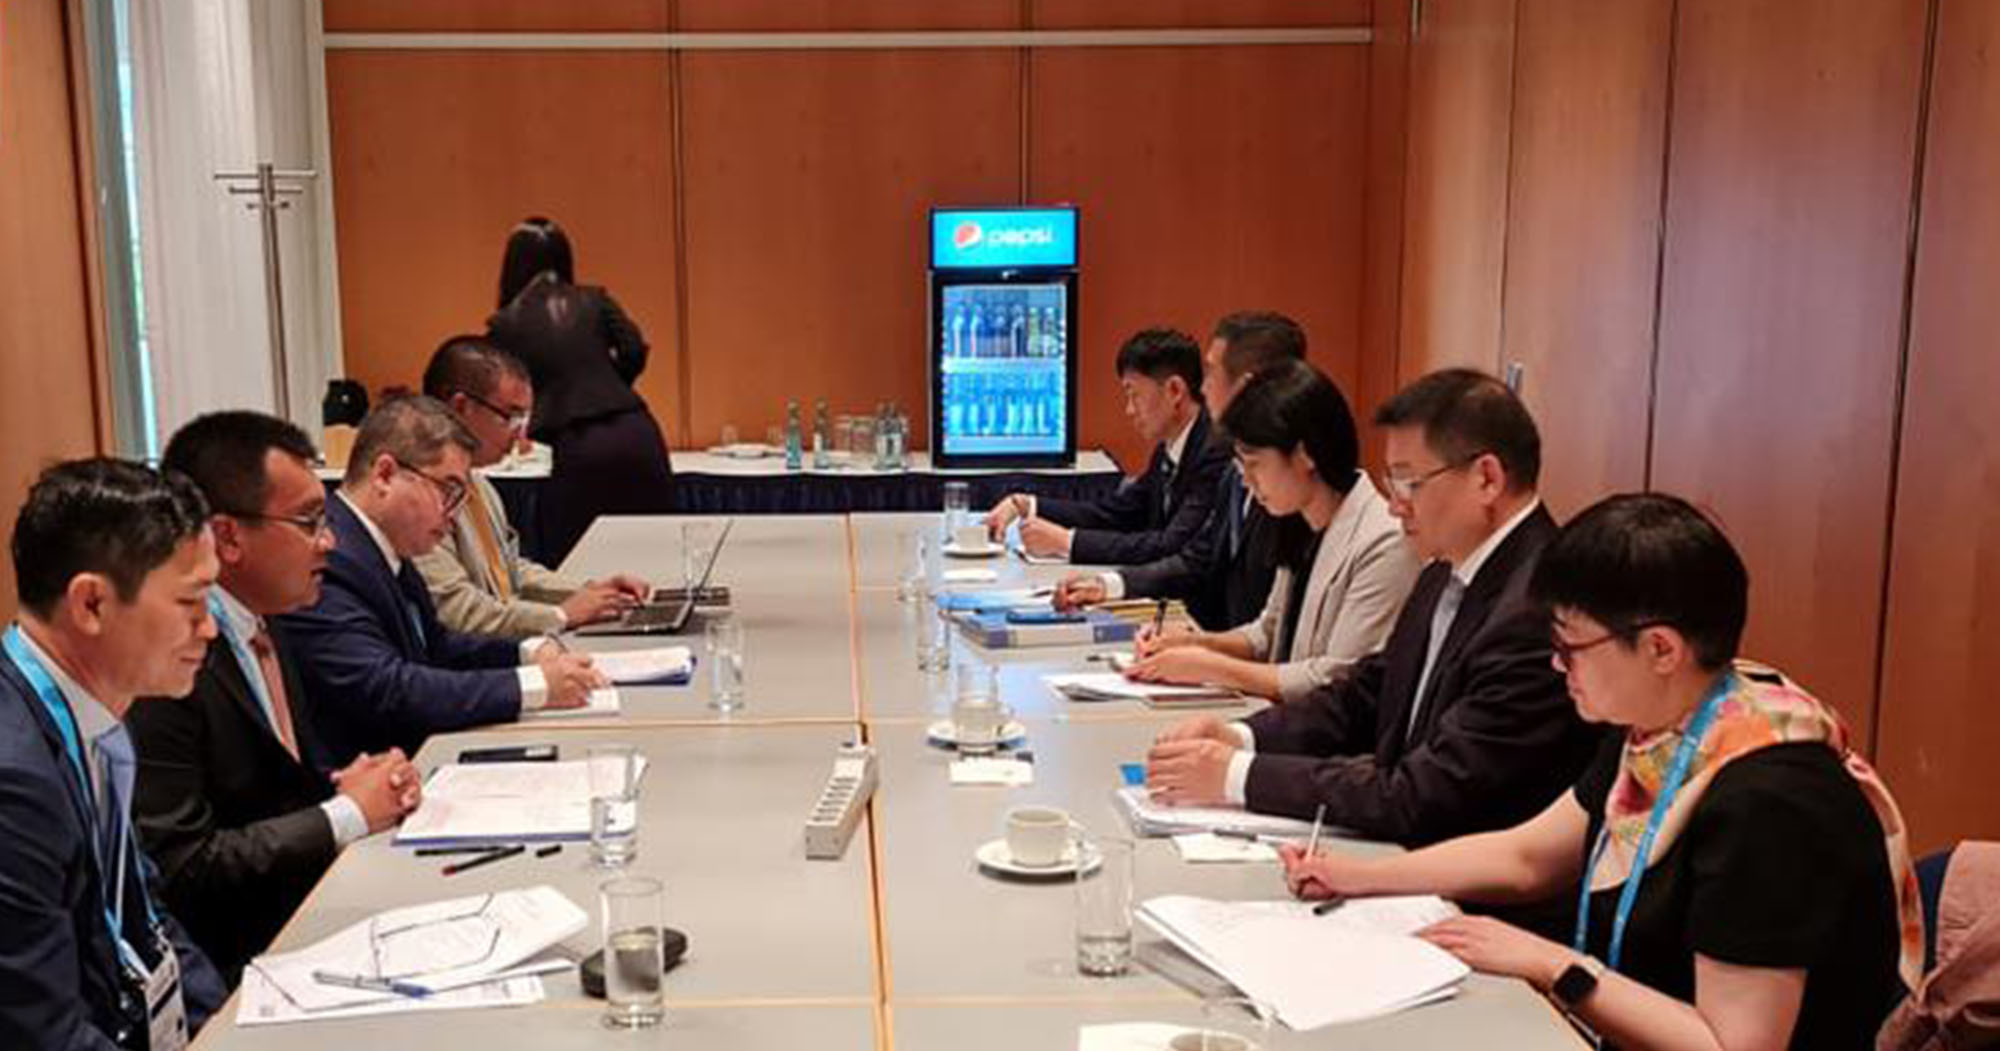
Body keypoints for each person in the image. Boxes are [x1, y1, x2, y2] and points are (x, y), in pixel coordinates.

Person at [1282, 493, 1923, 1051]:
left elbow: (1732, 1043)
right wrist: (1360, 877)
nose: (1556, 666)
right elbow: (1529, 857)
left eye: (1571, 647)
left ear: (1661, 649)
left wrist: (1550, 964)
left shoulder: (1770, 799)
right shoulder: (1663, 727)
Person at [1145, 368, 1602, 844]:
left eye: (1408, 483)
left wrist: (1239, 775)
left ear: (1486, 478)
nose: (1395, 505)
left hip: (1452, 872)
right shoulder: (1446, 568)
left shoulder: (1537, 610)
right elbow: (1365, 694)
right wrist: (1240, 736)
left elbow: (1426, 795)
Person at [127, 412, 422, 982]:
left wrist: (358, 786)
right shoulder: (170, 657)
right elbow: (182, 867)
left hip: (309, 918)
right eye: (310, 522)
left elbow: (273, 793)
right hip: (238, 965)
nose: (329, 541)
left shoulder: (269, 615)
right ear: (227, 537)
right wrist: (344, 814)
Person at [0, 458, 226, 1047]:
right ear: (91, 605)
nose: (210, 629)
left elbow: (143, 917)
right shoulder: (14, 783)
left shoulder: (91, 718)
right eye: (192, 603)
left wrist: (227, 1028)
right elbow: (40, 1035)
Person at [273, 396, 603, 769]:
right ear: (385, 475)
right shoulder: (330, 559)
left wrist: (527, 652)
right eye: (447, 490)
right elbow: (387, 688)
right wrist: (531, 686)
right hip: (366, 775)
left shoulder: (384, 546)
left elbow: (437, 646)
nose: (454, 515)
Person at [1122, 359, 1420, 702]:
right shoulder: (1297, 519)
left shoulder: (1383, 542)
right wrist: (1193, 642)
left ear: (1304, 455)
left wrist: (1208, 666)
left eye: (1254, 464)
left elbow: (1336, 679)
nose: (1247, 481)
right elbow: (1268, 634)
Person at [1052, 311, 1306, 631]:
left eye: (1211, 373)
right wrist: (1109, 585)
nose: (1203, 387)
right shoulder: (1235, 471)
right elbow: (1198, 557)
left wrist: (1201, 647)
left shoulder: (1286, 489)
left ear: (1247, 388)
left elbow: (1274, 639)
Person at [416, 334, 651, 638]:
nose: (521, 435)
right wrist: (561, 615)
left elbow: (510, 571)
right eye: (510, 417)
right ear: (461, 407)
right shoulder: (422, 497)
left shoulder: (480, 486)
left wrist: (592, 592)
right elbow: (456, 610)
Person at [486, 216, 675, 564]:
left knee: (582, 564)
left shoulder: (505, 323)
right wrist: (610, 386)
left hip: (580, 447)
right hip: (638, 431)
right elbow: (634, 349)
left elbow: (499, 388)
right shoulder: (595, 300)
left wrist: (546, 407)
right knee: (656, 553)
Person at [985, 328, 1229, 564]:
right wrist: (1026, 504)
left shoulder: (1214, 452)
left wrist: (1067, 542)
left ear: (1174, 390)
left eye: (1134, 395)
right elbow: (1118, 513)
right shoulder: (1169, 447)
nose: (1130, 410)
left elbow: (1171, 546)